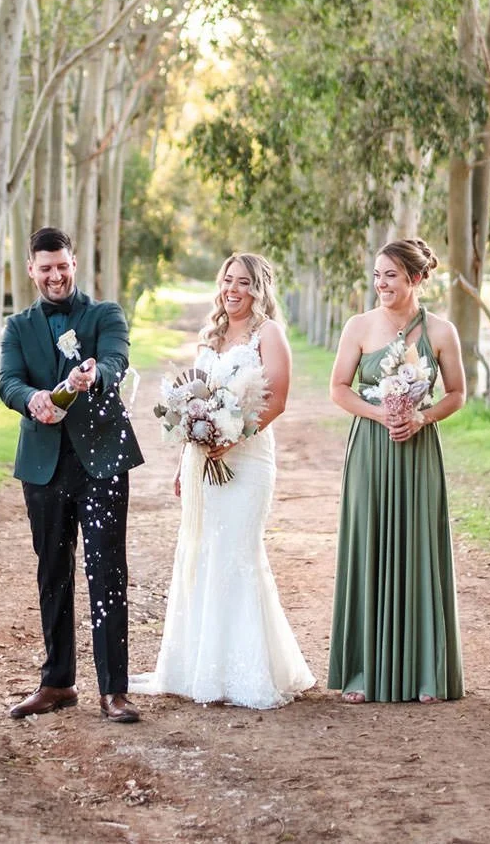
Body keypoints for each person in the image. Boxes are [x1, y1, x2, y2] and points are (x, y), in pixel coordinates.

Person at [133, 253, 314, 709]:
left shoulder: (268, 334)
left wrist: (233, 439)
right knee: (201, 551)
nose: (233, 289)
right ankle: (197, 667)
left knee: (237, 552)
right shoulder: (209, 336)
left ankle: (245, 672)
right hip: (202, 464)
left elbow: (277, 399)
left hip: (249, 461)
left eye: (244, 282)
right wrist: (185, 461)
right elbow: (195, 401)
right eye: (228, 280)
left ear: (259, 289)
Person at [0, 226, 143, 723]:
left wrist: (94, 375)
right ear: (32, 270)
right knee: (52, 573)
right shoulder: (17, 327)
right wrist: (32, 398)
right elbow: (8, 382)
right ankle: (57, 682)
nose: (55, 275)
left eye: (62, 266)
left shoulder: (105, 314)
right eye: (46, 268)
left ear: (74, 263)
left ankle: (114, 690)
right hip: (42, 467)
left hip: (100, 462)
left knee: (107, 572)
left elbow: (116, 361)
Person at [326, 238, 469, 704]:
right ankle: (363, 671)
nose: (381, 284)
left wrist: (421, 417)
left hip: (418, 450)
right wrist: (380, 414)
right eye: (376, 275)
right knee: (370, 546)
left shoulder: (442, 332)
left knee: (417, 547)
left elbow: (456, 394)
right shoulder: (359, 326)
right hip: (370, 447)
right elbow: (339, 388)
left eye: (390, 275)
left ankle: (426, 671)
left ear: (417, 279)